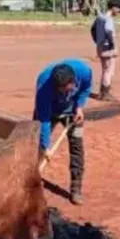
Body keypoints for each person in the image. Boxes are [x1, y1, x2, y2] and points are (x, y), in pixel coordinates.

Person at [34, 59, 94, 205]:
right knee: (37, 146)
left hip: (72, 112)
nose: (64, 92)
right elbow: (44, 119)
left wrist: (79, 107)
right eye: (61, 90)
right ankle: (32, 179)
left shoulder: (84, 72)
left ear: (73, 81)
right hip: (49, 112)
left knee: (77, 148)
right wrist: (45, 145)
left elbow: (86, 88)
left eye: (67, 89)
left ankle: (76, 189)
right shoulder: (44, 85)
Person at [91, 0, 120, 101]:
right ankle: (105, 94)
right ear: (113, 7)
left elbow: (92, 29)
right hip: (107, 47)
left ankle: (102, 93)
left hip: (101, 46)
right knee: (109, 71)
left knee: (105, 70)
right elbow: (109, 32)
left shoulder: (100, 18)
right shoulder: (108, 19)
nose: (119, 11)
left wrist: (98, 43)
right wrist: (113, 46)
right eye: (118, 8)